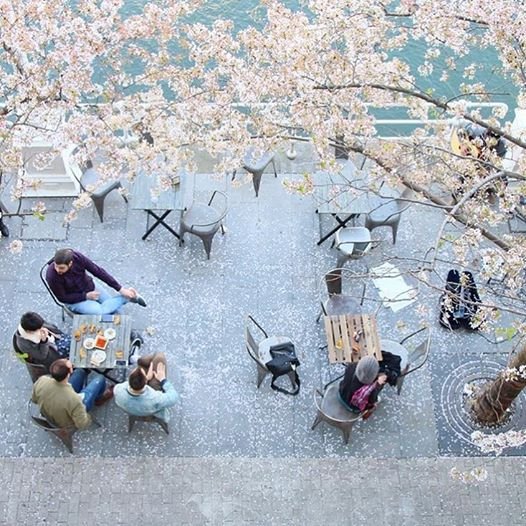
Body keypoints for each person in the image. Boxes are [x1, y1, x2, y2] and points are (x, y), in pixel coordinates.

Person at [45, 248, 147, 315]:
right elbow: (62, 298)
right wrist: (86, 296)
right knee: (101, 311)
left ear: (70, 263)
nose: (58, 270)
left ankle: (127, 330)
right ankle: (129, 297)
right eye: (56, 266)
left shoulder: (77, 258)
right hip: (75, 300)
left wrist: (120, 289)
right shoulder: (52, 276)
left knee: (115, 309)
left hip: (89, 286)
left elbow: (97, 271)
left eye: (61, 268)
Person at [31, 358, 113, 429]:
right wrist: (87, 417)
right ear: (69, 372)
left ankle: (84, 375)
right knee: (100, 378)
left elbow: (34, 400)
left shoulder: (42, 380)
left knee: (80, 371)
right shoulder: (74, 399)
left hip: (48, 413)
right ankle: (98, 399)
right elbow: (82, 424)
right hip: (66, 420)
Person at [114, 353, 178, 422]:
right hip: (150, 409)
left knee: (143, 362)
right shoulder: (155, 399)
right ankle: (147, 359)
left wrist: (146, 378)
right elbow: (174, 397)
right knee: (159, 357)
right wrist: (163, 380)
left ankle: (140, 360)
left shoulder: (118, 389)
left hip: (131, 408)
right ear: (145, 382)